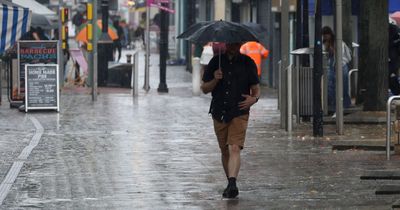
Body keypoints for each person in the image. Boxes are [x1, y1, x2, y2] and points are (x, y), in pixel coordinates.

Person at [201, 42, 260, 198]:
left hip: (239, 110)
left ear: (240, 44)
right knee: (224, 150)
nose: (233, 46)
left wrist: (254, 99)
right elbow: (204, 89)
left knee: (234, 147)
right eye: (230, 44)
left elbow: (256, 88)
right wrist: (215, 79)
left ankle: (233, 183)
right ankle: (230, 183)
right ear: (226, 44)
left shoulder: (248, 63)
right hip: (219, 111)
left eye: (236, 44)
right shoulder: (215, 62)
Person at [322, 26, 352, 117]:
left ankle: (343, 107)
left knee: (342, 87)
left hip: (341, 66)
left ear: (330, 34)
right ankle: (337, 106)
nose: (325, 38)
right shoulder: (326, 43)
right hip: (333, 67)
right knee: (331, 87)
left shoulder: (338, 43)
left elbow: (340, 56)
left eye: (326, 35)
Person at [389, 20, 400, 95]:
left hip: (394, 59)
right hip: (394, 59)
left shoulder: (394, 30)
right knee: (392, 75)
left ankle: (396, 93)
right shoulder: (395, 30)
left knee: (392, 75)